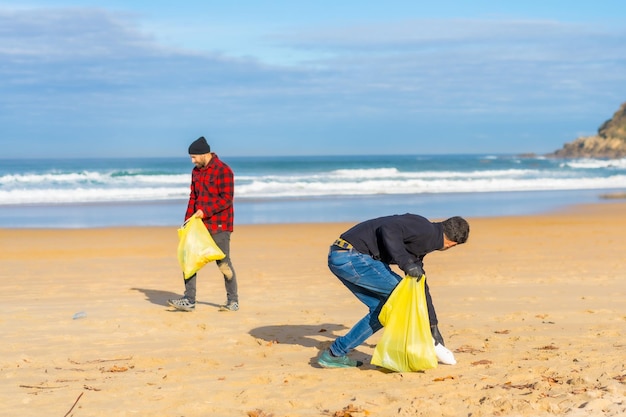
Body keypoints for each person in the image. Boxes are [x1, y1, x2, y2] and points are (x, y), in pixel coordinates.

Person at [317, 214, 469, 368]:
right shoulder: (423, 227)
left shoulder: (423, 242)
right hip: (352, 256)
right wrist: (406, 262)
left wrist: (433, 325)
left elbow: (420, 284)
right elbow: (388, 228)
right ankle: (402, 352)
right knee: (403, 297)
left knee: (382, 311)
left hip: (341, 257)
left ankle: (334, 354)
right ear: (452, 244)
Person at [168, 136, 239, 312]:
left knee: (223, 263)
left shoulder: (224, 170)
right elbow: (193, 197)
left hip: (220, 224)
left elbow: (226, 199)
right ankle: (189, 300)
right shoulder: (196, 171)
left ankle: (233, 301)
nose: (192, 161)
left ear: (204, 154)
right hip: (198, 225)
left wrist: (205, 211)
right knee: (189, 259)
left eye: (194, 157)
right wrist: (187, 220)